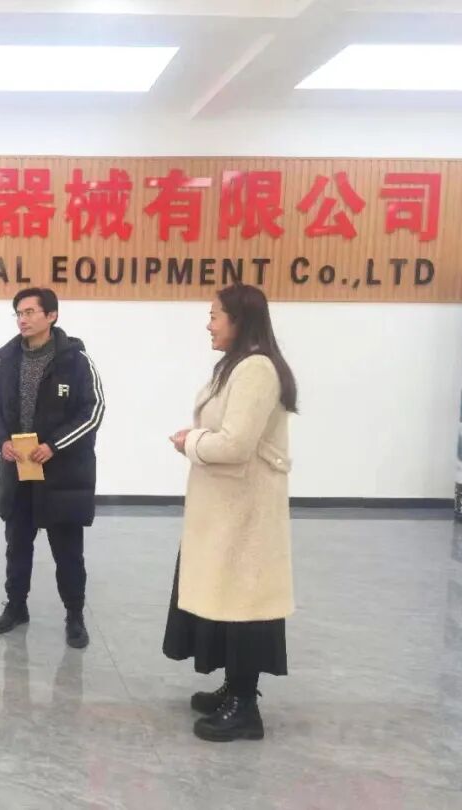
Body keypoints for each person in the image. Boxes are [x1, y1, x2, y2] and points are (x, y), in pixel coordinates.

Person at [164, 283, 296, 742]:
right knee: (227, 600)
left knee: (245, 605)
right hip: (227, 509)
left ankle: (245, 707)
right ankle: (233, 688)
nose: (209, 324)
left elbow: (237, 445)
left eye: (215, 316)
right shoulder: (237, 366)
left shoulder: (256, 369)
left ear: (239, 320)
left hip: (245, 513)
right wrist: (198, 439)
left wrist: (191, 441)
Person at [0, 287, 105, 649]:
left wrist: (54, 446)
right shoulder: (7, 361)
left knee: (68, 552)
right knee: (17, 546)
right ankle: (16, 607)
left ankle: (75, 616)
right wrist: (1, 441)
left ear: (51, 316)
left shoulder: (76, 361)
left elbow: (93, 411)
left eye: (31, 312)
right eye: (19, 313)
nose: (23, 319)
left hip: (64, 475)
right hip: (18, 472)